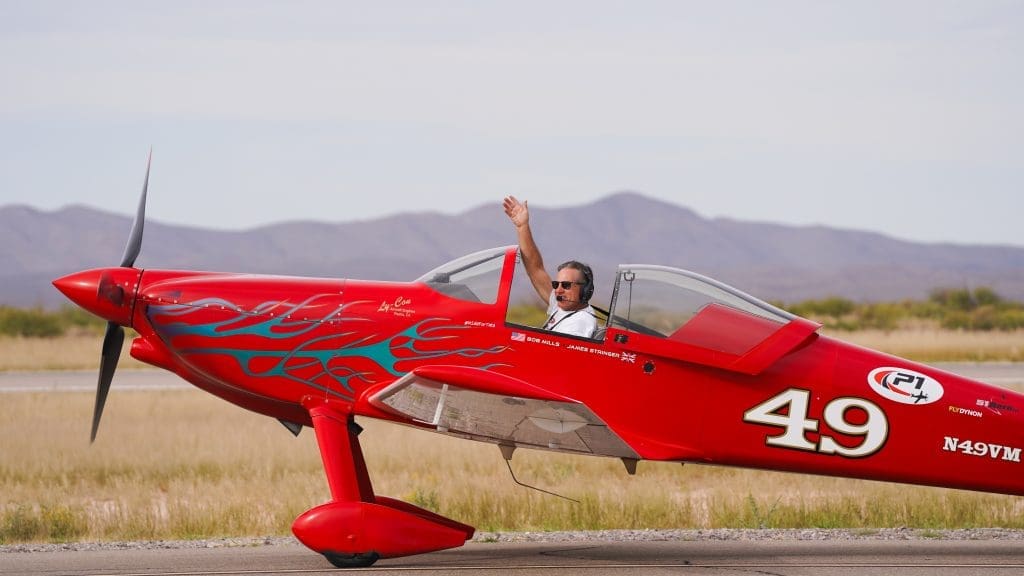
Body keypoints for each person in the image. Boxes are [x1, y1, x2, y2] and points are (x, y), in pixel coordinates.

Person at [503, 196, 598, 338]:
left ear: (585, 290)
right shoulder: (563, 307)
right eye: (556, 284)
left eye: (566, 285)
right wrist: (522, 227)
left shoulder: (581, 321)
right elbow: (536, 269)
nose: (558, 290)